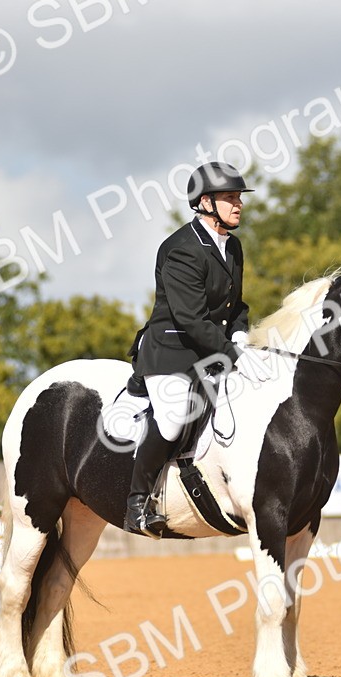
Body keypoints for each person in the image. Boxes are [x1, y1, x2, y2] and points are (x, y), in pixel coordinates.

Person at [124, 162, 273, 536]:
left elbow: (235, 307)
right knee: (174, 417)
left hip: (214, 349)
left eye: (239, 198)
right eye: (230, 198)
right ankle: (138, 502)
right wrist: (232, 353)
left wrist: (240, 337)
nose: (238, 205)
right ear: (205, 202)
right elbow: (190, 319)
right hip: (172, 354)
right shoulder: (181, 250)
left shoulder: (233, 247)